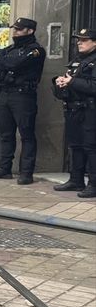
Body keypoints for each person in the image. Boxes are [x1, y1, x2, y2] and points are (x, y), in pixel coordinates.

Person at [0, 17, 46, 184]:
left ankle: (26, 173)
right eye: (15, 29)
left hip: (23, 96)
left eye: (19, 29)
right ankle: (4, 169)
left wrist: (4, 62)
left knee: (26, 135)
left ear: (30, 31)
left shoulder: (36, 50)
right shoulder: (10, 49)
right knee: (6, 134)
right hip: (5, 94)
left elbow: (15, 63)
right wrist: (6, 62)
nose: (15, 32)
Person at [53, 26, 96, 197]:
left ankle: (93, 184)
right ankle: (76, 180)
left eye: (84, 40)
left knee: (91, 147)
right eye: (78, 40)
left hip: (90, 110)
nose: (79, 43)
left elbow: (93, 86)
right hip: (74, 108)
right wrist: (61, 83)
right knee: (75, 145)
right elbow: (72, 80)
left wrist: (72, 82)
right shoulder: (78, 60)